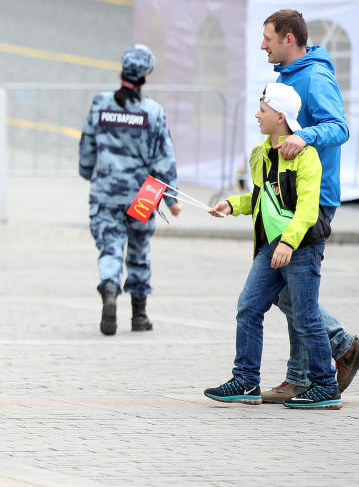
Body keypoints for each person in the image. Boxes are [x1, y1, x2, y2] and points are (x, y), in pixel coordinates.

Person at [205, 82, 339, 409]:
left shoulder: (307, 158)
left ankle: (326, 386)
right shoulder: (261, 154)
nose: (256, 115)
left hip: (300, 247)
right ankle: (246, 381)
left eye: (262, 110)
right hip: (270, 246)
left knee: (306, 316)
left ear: (280, 117)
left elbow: (308, 209)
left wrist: (289, 243)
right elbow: (261, 199)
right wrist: (231, 205)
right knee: (249, 307)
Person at [259, 9, 359, 402]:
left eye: (268, 38)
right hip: (286, 194)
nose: (262, 45)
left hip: (313, 196)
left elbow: (339, 127)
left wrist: (305, 138)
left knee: (286, 288)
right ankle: (302, 374)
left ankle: (335, 348)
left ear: (289, 38)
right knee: (285, 286)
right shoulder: (288, 76)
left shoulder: (315, 75)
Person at [78, 45, 182, 336]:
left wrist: (88, 172)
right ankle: (139, 315)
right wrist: (171, 198)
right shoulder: (152, 111)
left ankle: (110, 290)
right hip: (143, 193)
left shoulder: (101, 103)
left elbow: (87, 144)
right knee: (138, 248)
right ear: (147, 75)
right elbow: (165, 156)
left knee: (110, 245)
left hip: (107, 189)